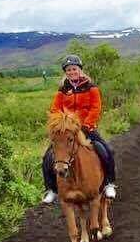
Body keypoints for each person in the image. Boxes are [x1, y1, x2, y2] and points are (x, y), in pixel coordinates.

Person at [42, 54, 117, 204]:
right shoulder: (63, 89)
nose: (71, 72)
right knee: (48, 157)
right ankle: (51, 189)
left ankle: (109, 183)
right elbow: (55, 108)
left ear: (80, 70)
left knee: (105, 150)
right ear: (66, 72)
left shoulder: (91, 87)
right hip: (67, 130)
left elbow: (96, 107)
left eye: (74, 69)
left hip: (86, 128)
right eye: (68, 70)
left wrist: (87, 124)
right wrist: (60, 122)